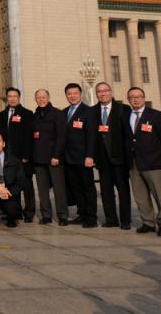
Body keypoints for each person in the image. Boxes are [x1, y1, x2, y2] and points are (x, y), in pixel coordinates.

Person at [122, 86, 161, 236]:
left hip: (152, 161)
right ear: (128, 100)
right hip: (133, 162)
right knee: (140, 195)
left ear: (144, 98)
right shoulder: (125, 116)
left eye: (138, 97)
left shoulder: (155, 115)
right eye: (132, 97)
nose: (135, 100)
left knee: (160, 194)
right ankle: (148, 222)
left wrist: (156, 153)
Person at [93, 82, 131, 230]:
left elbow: (127, 134)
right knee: (106, 191)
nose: (102, 94)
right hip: (102, 159)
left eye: (105, 91)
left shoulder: (122, 109)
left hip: (119, 157)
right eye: (99, 92)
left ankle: (125, 220)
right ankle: (111, 219)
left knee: (123, 191)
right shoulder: (93, 111)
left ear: (111, 92)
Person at [62, 82, 98, 228]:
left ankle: (91, 217)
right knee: (75, 188)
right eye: (69, 94)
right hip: (69, 158)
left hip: (83, 158)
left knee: (87, 188)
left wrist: (90, 156)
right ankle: (82, 213)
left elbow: (92, 136)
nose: (72, 96)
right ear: (66, 95)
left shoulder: (88, 111)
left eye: (75, 93)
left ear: (80, 94)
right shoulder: (64, 112)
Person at [32, 89, 69, 226]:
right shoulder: (35, 115)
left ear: (48, 98)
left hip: (54, 158)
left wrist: (56, 155)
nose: (41, 99)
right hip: (38, 158)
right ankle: (46, 215)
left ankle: (62, 215)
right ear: (35, 99)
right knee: (42, 190)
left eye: (43, 97)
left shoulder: (57, 114)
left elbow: (61, 137)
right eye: (38, 97)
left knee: (59, 189)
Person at [3, 87, 35, 222]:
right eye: (9, 96)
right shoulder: (3, 114)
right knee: (12, 184)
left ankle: (29, 213)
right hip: (9, 157)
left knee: (26, 185)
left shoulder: (27, 114)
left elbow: (29, 136)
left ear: (19, 98)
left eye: (14, 96)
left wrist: (26, 155)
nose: (12, 99)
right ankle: (15, 211)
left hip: (22, 157)